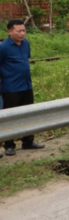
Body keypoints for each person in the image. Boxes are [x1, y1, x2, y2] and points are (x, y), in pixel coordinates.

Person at [0, 19, 44, 156]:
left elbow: (25, 61)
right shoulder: (3, 47)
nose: (22, 33)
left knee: (28, 113)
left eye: (24, 30)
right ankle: (9, 145)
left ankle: (28, 141)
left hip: (26, 85)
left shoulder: (26, 44)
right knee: (10, 116)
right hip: (10, 87)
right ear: (10, 31)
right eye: (18, 31)